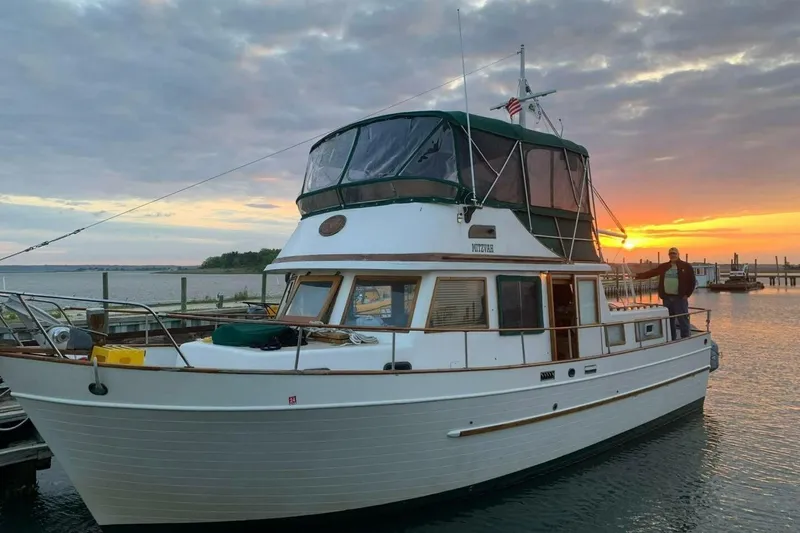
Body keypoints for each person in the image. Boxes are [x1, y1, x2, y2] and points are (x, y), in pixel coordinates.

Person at [634, 247, 696, 339]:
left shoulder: (686, 266)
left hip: (679, 298)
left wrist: (687, 295)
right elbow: (653, 272)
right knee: (669, 320)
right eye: (670, 254)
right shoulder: (664, 266)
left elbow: (692, 281)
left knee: (682, 319)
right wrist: (638, 276)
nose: (672, 255)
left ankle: (686, 338)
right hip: (667, 298)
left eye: (674, 253)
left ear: (678, 254)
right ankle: (672, 338)